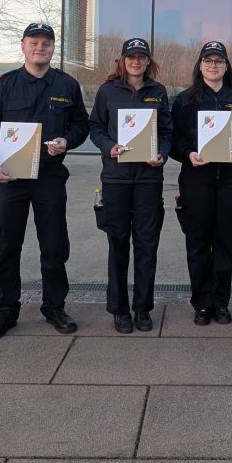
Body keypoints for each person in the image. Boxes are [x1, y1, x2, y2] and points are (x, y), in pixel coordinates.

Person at [0, 22, 90, 340]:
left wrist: (66, 140)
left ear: (53, 48)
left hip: (49, 178)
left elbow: (81, 124)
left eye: (46, 43)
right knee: (5, 246)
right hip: (11, 178)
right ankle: (7, 310)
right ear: (23, 45)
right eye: (34, 42)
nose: (40, 48)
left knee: (54, 245)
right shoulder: (4, 85)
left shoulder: (66, 85)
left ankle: (54, 307)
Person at [88, 37, 173, 334]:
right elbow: (95, 127)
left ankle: (142, 308)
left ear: (148, 61)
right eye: (131, 56)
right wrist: (108, 146)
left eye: (141, 57)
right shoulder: (107, 91)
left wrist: (161, 153)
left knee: (147, 244)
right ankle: (120, 309)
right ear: (122, 60)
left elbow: (166, 131)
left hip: (149, 179)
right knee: (118, 243)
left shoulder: (158, 92)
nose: (136, 61)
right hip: (116, 178)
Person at [171, 41, 232, 325]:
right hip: (196, 179)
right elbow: (174, 139)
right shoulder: (185, 100)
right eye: (208, 61)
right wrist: (188, 154)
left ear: (226, 66)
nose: (213, 66)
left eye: (219, 61)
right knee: (197, 242)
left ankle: (220, 302)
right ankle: (201, 303)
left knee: (226, 242)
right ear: (200, 66)